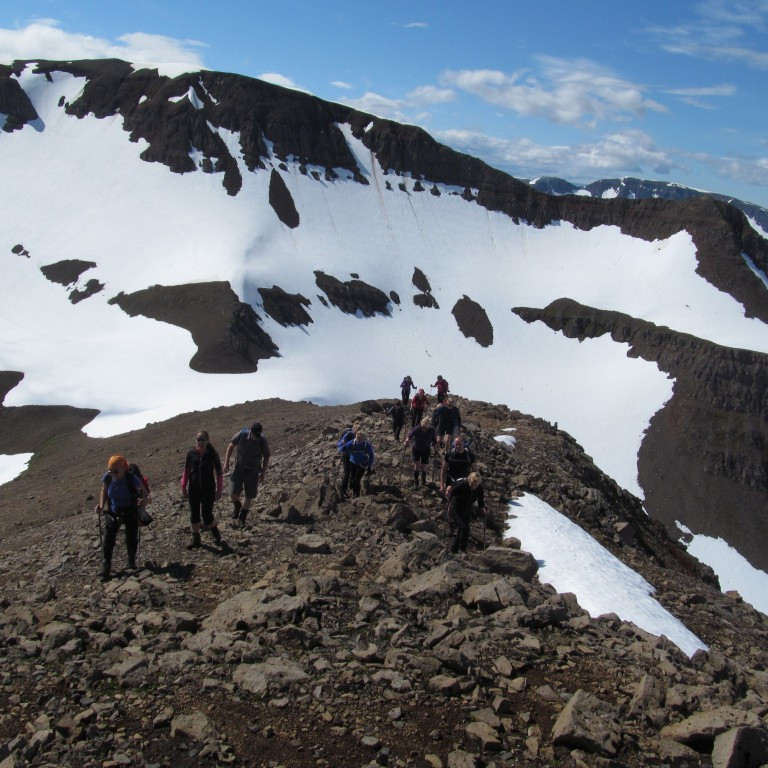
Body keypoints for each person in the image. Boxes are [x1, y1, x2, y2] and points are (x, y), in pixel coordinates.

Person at [96, 455, 147, 581]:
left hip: (130, 510)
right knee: (108, 537)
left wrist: (143, 502)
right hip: (114, 511)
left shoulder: (132, 478)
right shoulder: (108, 478)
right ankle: (106, 565)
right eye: (110, 471)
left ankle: (131, 561)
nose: (112, 474)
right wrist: (101, 505)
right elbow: (104, 491)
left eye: (115, 471)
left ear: (124, 468)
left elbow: (145, 494)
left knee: (131, 537)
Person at [181, 430, 223, 548]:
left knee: (207, 515)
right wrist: (183, 485)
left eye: (202, 440)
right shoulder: (191, 454)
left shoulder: (212, 455)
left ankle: (215, 531)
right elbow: (186, 471)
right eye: (198, 440)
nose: (199, 442)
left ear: (207, 440)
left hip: (208, 489)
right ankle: (196, 540)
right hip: (193, 489)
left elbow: (219, 473)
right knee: (194, 514)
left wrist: (219, 491)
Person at [224, 421, 270, 525]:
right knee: (233, 493)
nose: (256, 438)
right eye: (254, 435)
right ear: (250, 431)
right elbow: (231, 445)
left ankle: (242, 517)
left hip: (253, 471)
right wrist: (226, 462)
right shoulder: (242, 434)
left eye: (258, 436)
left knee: (249, 496)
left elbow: (266, 456)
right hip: (239, 468)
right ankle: (237, 505)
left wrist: (263, 472)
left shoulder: (262, 440)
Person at [446, 472, 484, 554]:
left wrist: (483, 508)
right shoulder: (463, 484)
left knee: (462, 529)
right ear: (469, 480)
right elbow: (452, 493)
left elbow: (481, 502)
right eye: (472, 483)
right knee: (464, 528)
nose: (473, 486)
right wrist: (448, 490)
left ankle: (453, 549)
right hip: (456, 509)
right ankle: (461, 549)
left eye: (476, 484)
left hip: (466, 509)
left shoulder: (479, 488)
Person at [404, 416, 438, 488]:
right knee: (417, 465)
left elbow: (435, 441)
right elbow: (410, 436)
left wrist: (435, 450)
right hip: (416, 448)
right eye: (423, 426)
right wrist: (406, 441)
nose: (424, 428)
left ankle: (423, 479)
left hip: (426, 449)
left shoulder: (431, 430)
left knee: (424, 466)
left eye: (425, 427)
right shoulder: (418, 428)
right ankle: (416, 481)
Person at [339, 430, 374, 497]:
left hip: (363, 464)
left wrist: (369, 466)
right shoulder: (352, 442)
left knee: (357, 479)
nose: (359, 441)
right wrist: (342, 448)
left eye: (360, 440)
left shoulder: (367, 445)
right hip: (353, 463)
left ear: (363, 438)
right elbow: (344, 447)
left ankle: (356, 494)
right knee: (353, 478)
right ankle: (354, 492)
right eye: (358, 439)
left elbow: (371, 455)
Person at [337, 421, 360, 496]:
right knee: (347, 472)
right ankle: (344, 489)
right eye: (357, 430)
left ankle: (353, 489)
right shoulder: (348, 434)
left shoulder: (359, 435)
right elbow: (340, 444)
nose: (358, 432)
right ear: (354, 429)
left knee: (353, 473)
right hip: (346, 455)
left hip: (353, 456)